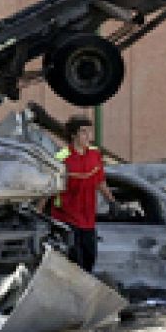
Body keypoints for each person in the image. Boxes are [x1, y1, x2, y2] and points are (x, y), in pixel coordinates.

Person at [50, 114, 116, 272]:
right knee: (74, 263)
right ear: (74, 135)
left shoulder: (95, 154)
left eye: (90, 132)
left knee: (89, 259)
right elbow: (50, 188)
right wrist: (38, 213)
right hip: (66, 218)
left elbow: (100, 182)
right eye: (83, 132)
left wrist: (112, 202)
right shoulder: (61, 158)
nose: (88, 136)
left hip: (87, 220)